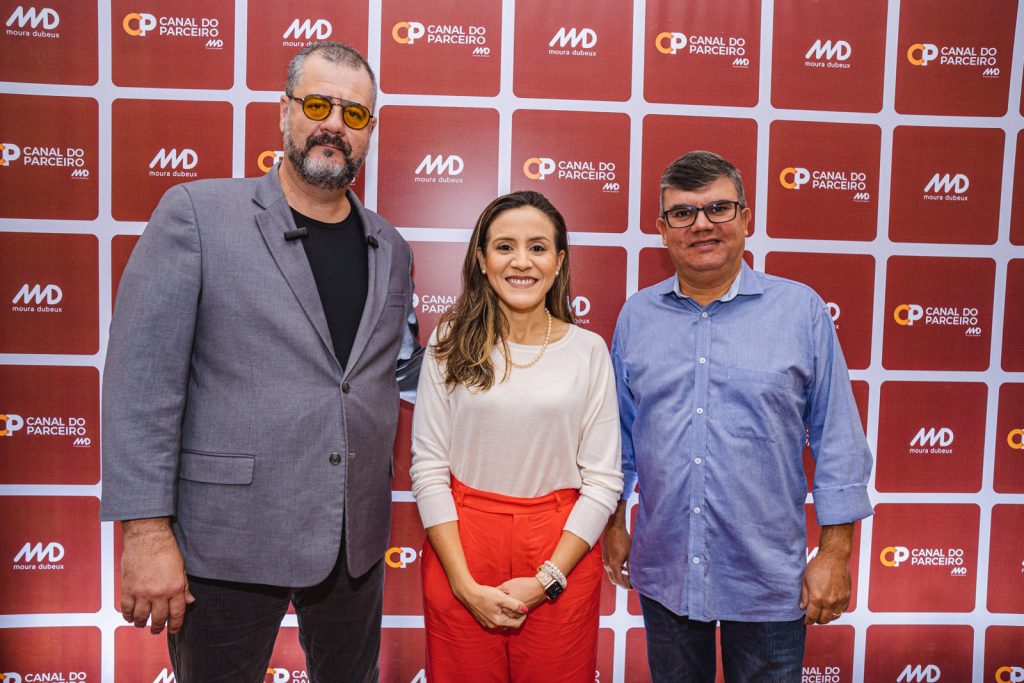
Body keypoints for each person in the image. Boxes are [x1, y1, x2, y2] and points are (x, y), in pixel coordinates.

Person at [100, 42, 421, 682]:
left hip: (352, 545)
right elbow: (141, 386)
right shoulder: (197, 215)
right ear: (284, 111)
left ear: (370, 129)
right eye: (318, 105)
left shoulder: (391, 246)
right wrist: (145, 533)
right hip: (226, 542)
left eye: (355, 114)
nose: (335, 125)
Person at [603, 151, 873, 682]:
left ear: (746, 218)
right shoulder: (637, 316)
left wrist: (834, 553)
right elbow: (620, 438)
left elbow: (838, 439)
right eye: (683, 213)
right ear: (662, 230)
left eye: (718, 208)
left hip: (769, 578)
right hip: (666, 571)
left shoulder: (801, 311)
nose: (702, 224)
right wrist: (615, 522)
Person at [410, 191, 623, 682]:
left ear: (559, 261)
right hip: (461, 547)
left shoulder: (589, 350)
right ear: (481, 260)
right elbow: (429, 469)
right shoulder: (448, 341)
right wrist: (463, 584)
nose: (521, 261)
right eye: (505, 246)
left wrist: (547, 580)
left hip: (561, 552)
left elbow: (603, 482)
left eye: (538, 247)